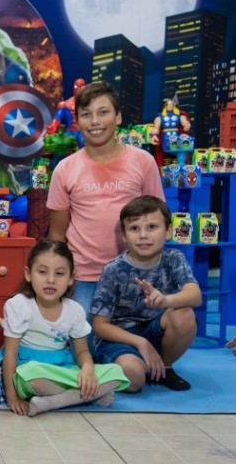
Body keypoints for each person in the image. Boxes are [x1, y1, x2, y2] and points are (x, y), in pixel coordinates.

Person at [47, 81, 164, 346]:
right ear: (77, 121)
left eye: (103, 112)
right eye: (86, 114)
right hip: (84, 277)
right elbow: (57, 233)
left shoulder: (143, 161)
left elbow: (157, 222)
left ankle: (159, 362)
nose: (95, 121)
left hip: (135, 274)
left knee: (156, 337)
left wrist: (154, 273)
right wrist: (60, 281)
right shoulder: (64, 169)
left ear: (118, 116)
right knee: (83, 349)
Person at [0, 240, 129, 417]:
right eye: (42, 272)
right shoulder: (18, 305)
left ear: (70, 278)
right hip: (30, 370)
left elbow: (82, 351)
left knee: (116, 372)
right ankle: (90, 396)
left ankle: (53, 401)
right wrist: (12, 397)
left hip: (63, 370)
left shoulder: (75, 310)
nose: (51, 280)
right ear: (28, 274)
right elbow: (10, 353)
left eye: (59, 273)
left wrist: (88, 369)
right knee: (31, 376)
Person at [91, 196, 201, 392]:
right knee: (133, 378)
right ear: (124, 236)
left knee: (184, 313)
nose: (143, 235)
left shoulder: (173, 258)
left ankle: (164, 367)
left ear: (168, 231)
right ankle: (137, 365)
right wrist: (140, 342)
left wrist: (166, 300)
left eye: (152, 227)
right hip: (121, 339)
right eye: (134, 228)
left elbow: (195, 295)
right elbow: (100, 326)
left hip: (156, 331)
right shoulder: (113, 270)